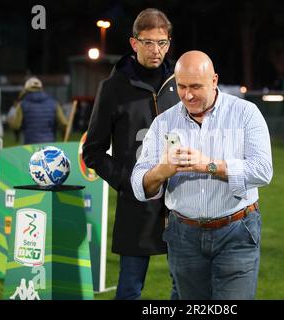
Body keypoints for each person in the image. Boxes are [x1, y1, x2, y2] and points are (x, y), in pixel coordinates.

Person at [131, 50, 273, 299]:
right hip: (183, 236)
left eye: (196, 86)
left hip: (237, 231)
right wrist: (162, 171)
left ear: (214, 80)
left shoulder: (246, 113)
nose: (187, 94)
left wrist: (209, 165)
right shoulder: (163, 122)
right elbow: (138, 183)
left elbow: (263, 171)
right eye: (181, 86)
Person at [82, 8, 180, 300]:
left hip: (182, 201)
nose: (156, 50)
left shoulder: (179, 83)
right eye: (148, 42)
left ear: (169, 43)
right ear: (134, 43)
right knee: (130, 288)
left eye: (162, 43)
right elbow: (93, 151)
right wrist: (129, 183)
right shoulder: (112, 88)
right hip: (137, 202)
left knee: (186, 287)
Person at [8, 77, 68, 144]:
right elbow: (64, 123)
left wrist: (10, 122)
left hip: (29, 144)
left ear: (26, 89)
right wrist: (63, 135)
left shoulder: (22, 104)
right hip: (49, 142)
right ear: (41, 88)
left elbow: (16, 125)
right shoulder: (54, 103)